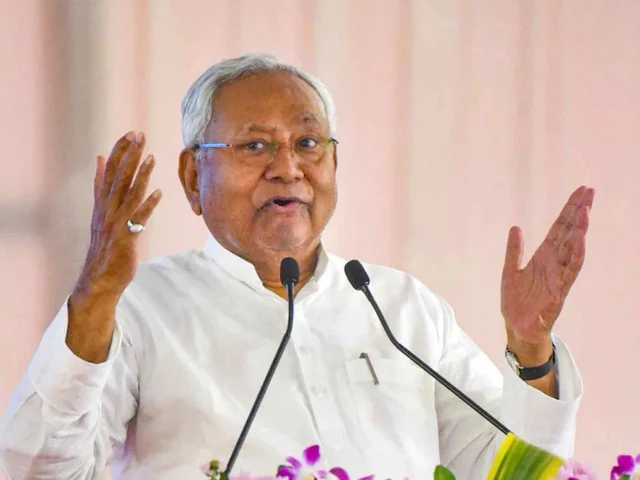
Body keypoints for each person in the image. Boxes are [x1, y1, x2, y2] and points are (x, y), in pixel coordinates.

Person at [0, 53, 595, 480]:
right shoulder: (141, 308)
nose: (288, 167)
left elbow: (514, 471)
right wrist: (95, 299)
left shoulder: (400, 307)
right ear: (192, 176)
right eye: (255, 145)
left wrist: (531, 347)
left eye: (309, 144)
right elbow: (39, 472)